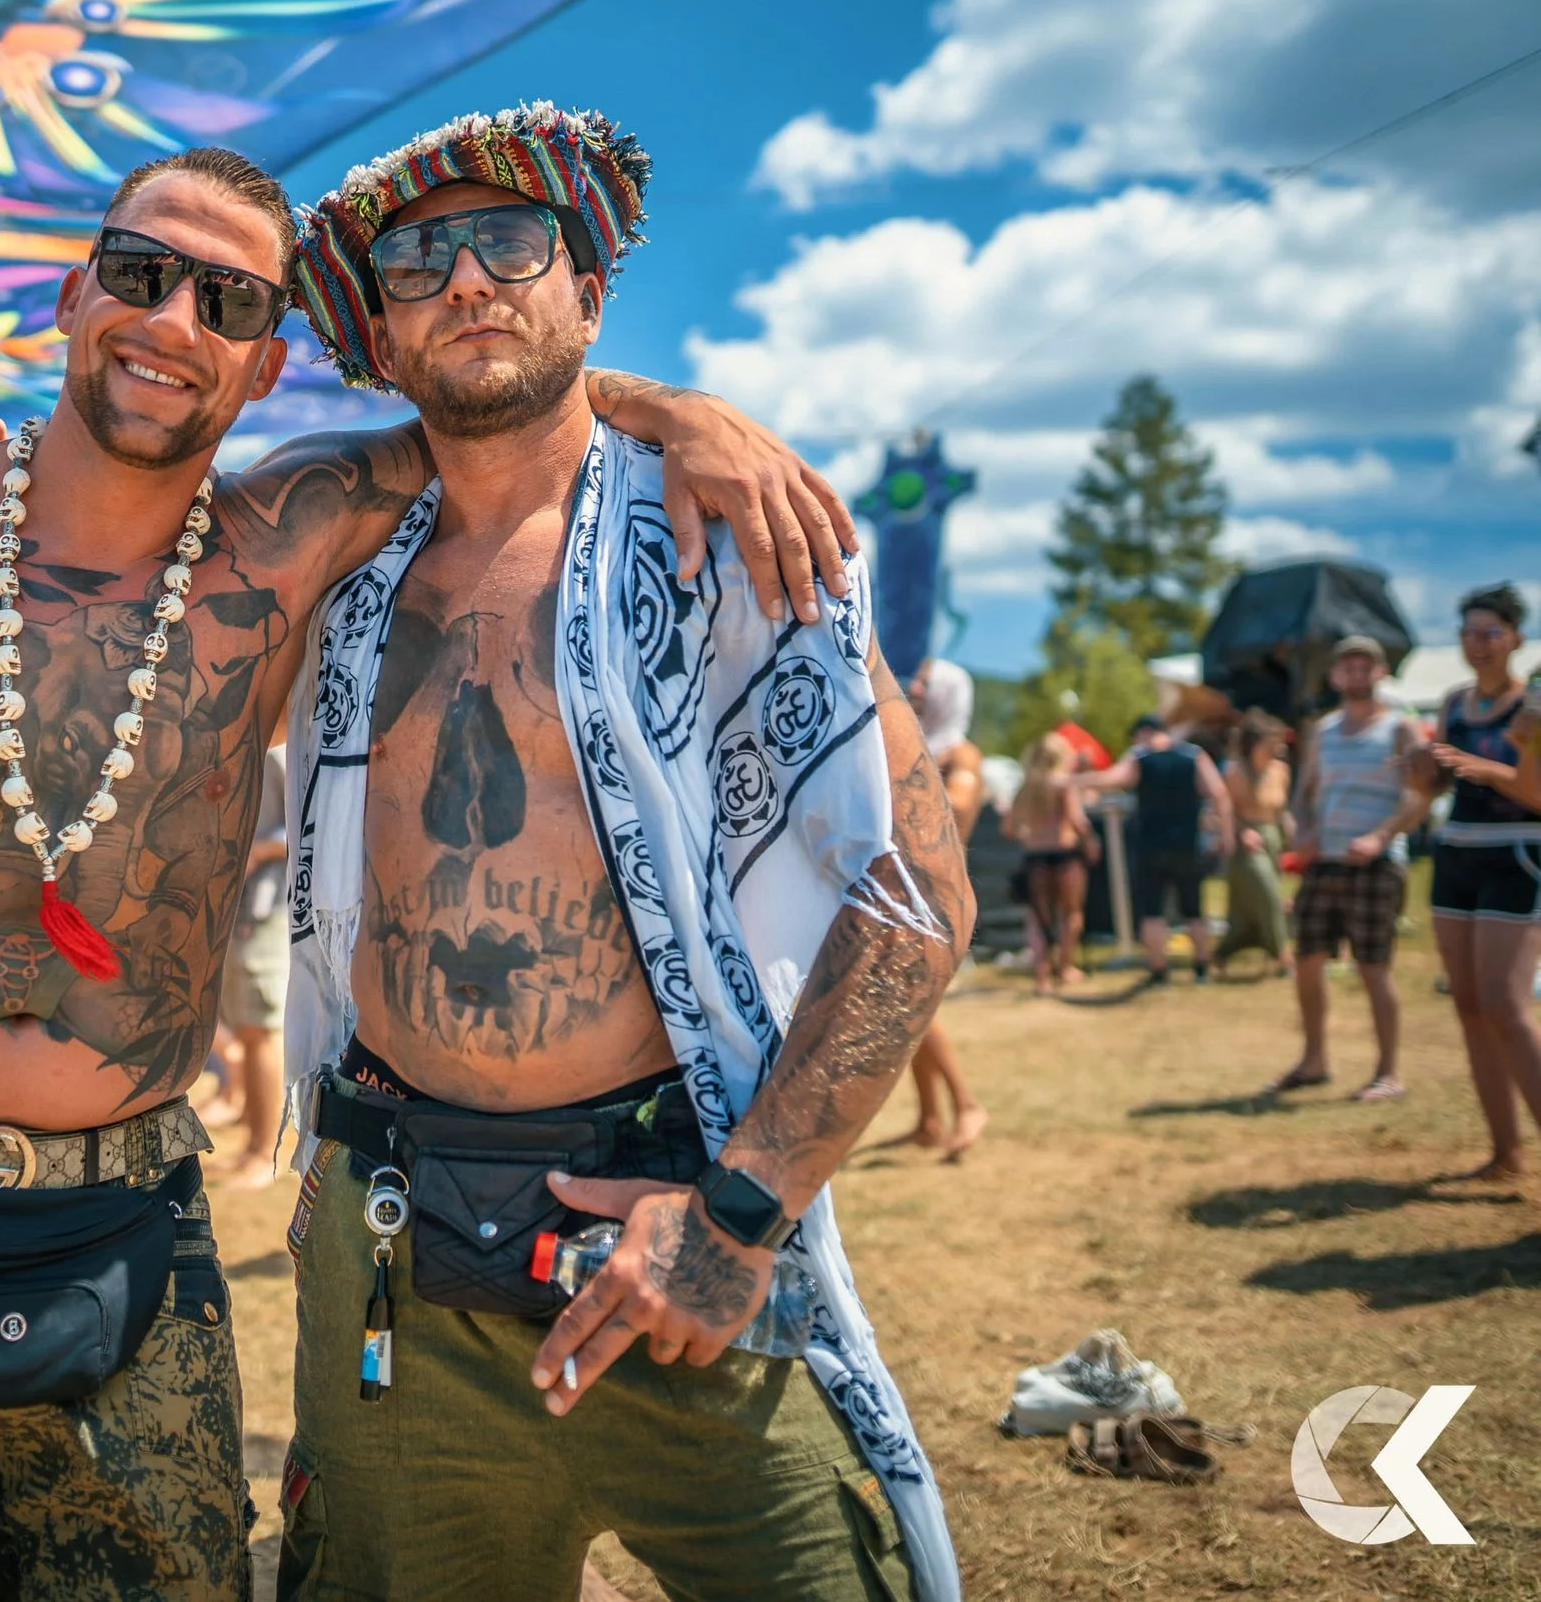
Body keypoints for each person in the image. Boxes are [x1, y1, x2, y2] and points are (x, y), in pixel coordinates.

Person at [0, 140, 858, 1599]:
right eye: (141, 277)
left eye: (226, 302)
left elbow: (509, 403)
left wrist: (693, 415)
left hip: (125, 1226)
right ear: (74, 294)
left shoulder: (286, 550)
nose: (173, 324)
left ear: (269, 364)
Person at [267, 105, 970, 1601]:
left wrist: (736, 1219)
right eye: (415, 260)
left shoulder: (729, 538)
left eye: (513, 242)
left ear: (589, 291)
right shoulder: (322, 562)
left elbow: (914, 894)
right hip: (393, 1254)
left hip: (668, 1235)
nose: (466, 280)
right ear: (379, 335)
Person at [1273, 637, 1431, 1101]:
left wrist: (1381, 835)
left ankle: (1388, 1072)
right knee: (1306, 962)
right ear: (1335, 676)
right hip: (1324, 862)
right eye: (1348, 667)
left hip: (1376, 865)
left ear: (1381, 672)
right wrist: (1301, 829)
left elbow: (1419, 796)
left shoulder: (1402, 729)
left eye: (1366, 667)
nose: (1356, 675)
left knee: (1373, 968)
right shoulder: (1321, 731)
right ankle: (1314, 1060)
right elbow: (1303, 794)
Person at [1426, 585, 1541, 1179]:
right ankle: (1506, 1154)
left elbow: (1537, 794)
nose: (1477, 644)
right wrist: (1423, 771)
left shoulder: (1536, 702)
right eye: (1469, 632)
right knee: (1471, 1007)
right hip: (1455, 855)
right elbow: (1432, 790)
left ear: (1516, 637)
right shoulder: (1451, 704)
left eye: (1490, 632)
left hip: (1518, 856)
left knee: (1505, 1003)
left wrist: (1489, 769)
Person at [878, 659, 989, 1159]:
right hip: (903, 888)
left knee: (915, 1008)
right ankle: (928, 1119)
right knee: (906, 1008)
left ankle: (967, 1106)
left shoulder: (959, 753)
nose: (914, 688)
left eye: (925, 681)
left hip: (932, 891)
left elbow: (961, 806)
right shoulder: (918, 743)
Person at [1072, 715, 1234, 984]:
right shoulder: (1193, 756)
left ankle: (1159, 971)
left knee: (1153, 911)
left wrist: (1072, 780)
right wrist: (1225, 833)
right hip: (1188, 844)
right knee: (1194, 908)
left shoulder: (1140, 757)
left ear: (1143, 733)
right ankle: (1201, 967)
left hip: (1151, 845)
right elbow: (1219, 794)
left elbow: (1113, 779)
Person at [215, 735, 291, 1182]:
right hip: (244, 906)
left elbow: (309, 825)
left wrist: (255, 852)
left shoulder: (279, 750)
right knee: (246, 1025)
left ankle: (266, 1155)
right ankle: (253, 1135)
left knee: (262, 1030)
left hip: (270, 904)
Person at [1005, 734, 1094, 994]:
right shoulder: (1063, 784)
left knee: (1037, 919)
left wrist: (1028, 833)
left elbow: (1009, 827)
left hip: (1035, 857)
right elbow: (1078, 821)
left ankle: (1042, 977)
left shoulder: (1025, 787)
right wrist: (1090, 842)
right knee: (1071, 913)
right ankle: (1066, 969)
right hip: (1065, 855)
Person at [1216, 712, 1293, 976]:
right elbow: (1223, 810)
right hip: (1247, 844)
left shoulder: (1280, 771)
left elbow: (1280, 810)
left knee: (1246, 909)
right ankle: (1284, 955)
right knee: (1269, 896)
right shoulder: (1234, 772)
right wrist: (1240, 832)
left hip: (1272, 840)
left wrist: (1291, 829)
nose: (1277, 748)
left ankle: (1223, 952)